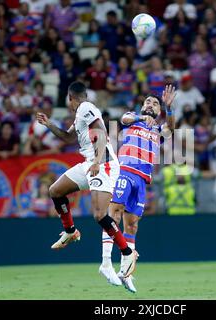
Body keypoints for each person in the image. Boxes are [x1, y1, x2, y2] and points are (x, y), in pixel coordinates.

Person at [36, 81, 138, 279]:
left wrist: (97, 161)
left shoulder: (86, 108)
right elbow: (67, 137)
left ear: (70, 97)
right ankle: (70, 230)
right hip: (90, 163)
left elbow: (100, 130)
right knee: (55, 191)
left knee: (100, 215)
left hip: (104, 163)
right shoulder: (81, 112)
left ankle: (127, 253)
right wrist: (49, 124)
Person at [99, 85, 176, 293]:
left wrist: (169, 109)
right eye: (148, 102)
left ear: (159, 111)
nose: (151, 105)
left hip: (142, 180)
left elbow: (171, 128)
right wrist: (142, 119)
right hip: (125, 171)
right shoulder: (132, 118)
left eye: (155, 103)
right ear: (142, 106)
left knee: (132, 226)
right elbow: (124, 119)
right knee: (113, 213)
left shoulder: (159, 130)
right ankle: (106, 262)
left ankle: (126, 273)